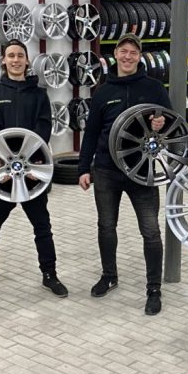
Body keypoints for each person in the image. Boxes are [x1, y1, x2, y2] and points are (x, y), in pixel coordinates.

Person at [77, 33, 171, 315]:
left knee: (151, 231)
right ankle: (109, 276)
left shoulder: (154, 88)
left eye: (133, 52)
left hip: (141, 169)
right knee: (106, 226)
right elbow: (91, 133)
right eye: (123, 51)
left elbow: (172, 125)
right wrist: (83, 168)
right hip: (107, 169)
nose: (128, 56)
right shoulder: (103, 92)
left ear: (139, 56)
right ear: (115, 54)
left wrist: (160, 124)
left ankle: (154, 289)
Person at [0, 40, 67, 302]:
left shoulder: (39, 95)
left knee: (42, 226)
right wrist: (4, 160)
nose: (15, 60)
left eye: (20, 56)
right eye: (11, 56)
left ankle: (50, 275)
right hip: (0, 171)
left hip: (32, 172)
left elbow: (43, 131)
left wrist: (30, 164)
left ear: (27, 61)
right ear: (4, 60)